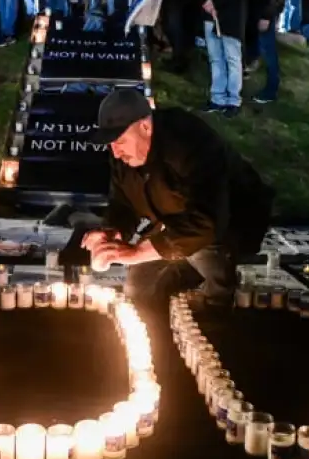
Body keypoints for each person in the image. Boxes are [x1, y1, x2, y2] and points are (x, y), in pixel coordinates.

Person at [81, 89, 274, 305]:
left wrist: (137, 253)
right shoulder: (124, 156)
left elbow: (207, 222)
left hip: (228, 220)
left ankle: (214, 318)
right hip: (174, 221)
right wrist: (113, 232)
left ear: (145, 126)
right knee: (139, 285)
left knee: (208, 266)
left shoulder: (191, 144)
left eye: (119, 141)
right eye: (110, 143)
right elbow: (124, 202)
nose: (115, 152)